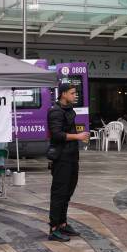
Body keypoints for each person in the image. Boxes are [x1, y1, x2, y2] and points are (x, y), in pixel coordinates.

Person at [47, 83, 89, 242]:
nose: (75, 95)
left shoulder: (70, 110)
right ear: (63, 94)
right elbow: (56, 135)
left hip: (72, 156)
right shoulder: (55, 111)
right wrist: (77, 137)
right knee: (58, 193)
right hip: (61, 157)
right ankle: (54, 228)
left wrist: (78, 137)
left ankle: (63, 223)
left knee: (68, 191)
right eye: (72, 93)